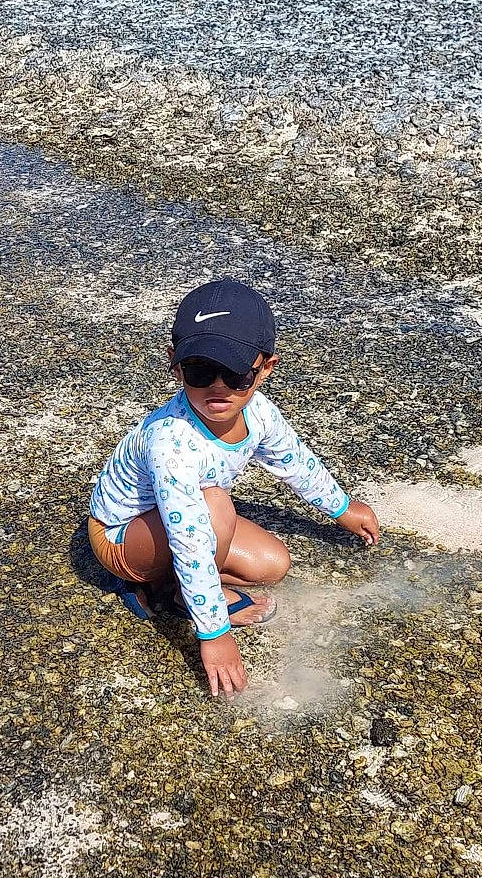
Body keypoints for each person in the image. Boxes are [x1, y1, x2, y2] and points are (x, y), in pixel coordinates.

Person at [87, 278, 381, 697]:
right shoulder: (170, 440)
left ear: (266, 368)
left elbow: (294, 461)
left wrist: (343, 509)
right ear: (175, 364)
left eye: (237, 372)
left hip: (189, 515)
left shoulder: (260, 413)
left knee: (272, 564)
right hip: (122, 534)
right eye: (200, 370)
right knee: (216, 507)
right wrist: (214, 635)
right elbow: (188, 535)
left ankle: (184, 584)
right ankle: (168, 590)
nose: (218, 385)